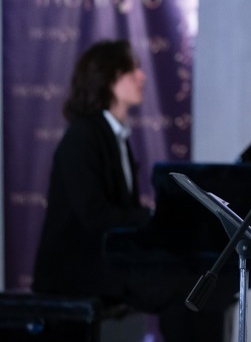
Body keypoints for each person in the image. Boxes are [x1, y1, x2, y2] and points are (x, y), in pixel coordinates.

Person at [32, 39, 229, 342]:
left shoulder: (114, 136)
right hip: (76, 271)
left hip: (107, 261)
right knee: (185, 287)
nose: (142, 76)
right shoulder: (82, 137)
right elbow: (95, 216)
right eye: (132, 69)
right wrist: (154, 218)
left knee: (203, 281)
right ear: (109, 79)